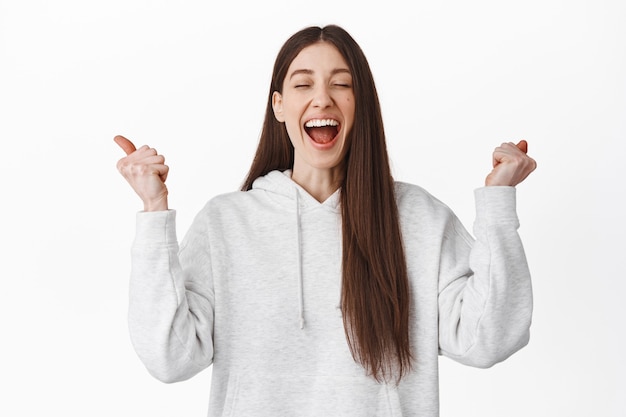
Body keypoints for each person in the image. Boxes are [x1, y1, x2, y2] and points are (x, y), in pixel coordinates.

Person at [115, 24, 537, 417]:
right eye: (303, 84)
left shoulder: (418, 218)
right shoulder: (226, 224)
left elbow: (488, 340)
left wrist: (499, 203)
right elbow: (169, 357)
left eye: (341, 84)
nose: (322, 98)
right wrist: (154, 213)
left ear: (362, 104)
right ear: (279, 106)